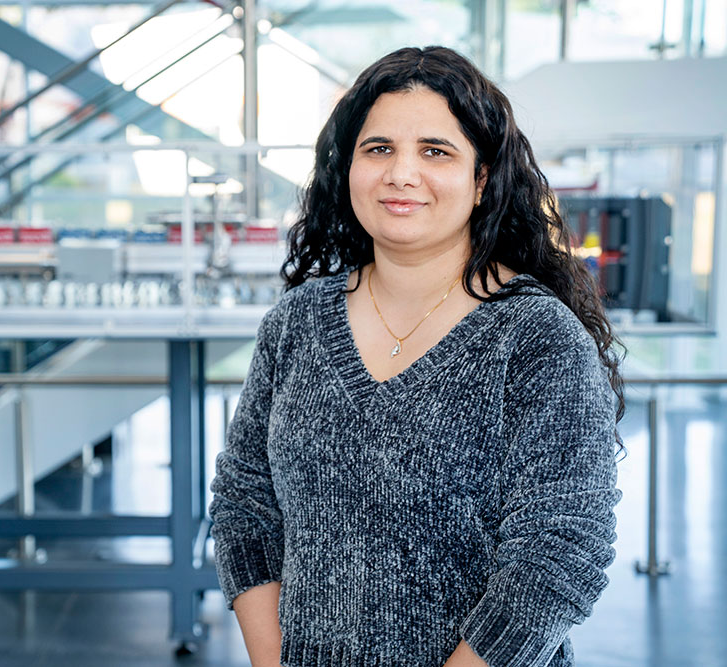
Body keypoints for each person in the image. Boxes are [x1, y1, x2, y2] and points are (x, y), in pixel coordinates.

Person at [208, 45, 625, 667]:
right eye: (378, 149)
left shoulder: (537, 339)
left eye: (436, 151)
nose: (402, 174)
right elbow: (246, 507)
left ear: (481, 179)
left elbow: (558, 554)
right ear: (346, 167)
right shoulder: (295, 324)